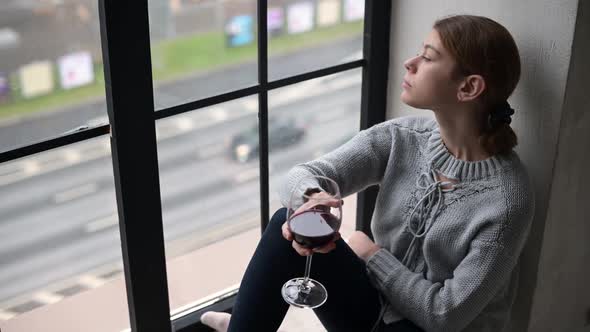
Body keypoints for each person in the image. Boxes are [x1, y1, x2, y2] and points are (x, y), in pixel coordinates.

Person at [201, 14, 535, 332]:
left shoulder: (506, 201)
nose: (410, 63)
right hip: (376, 307)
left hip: (425, 328)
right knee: (283, 224)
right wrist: (313, 200)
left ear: (468, 87)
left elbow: (443, 316)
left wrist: (372, 255)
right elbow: (303, 174)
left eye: (428, 58)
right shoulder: (402, 138)